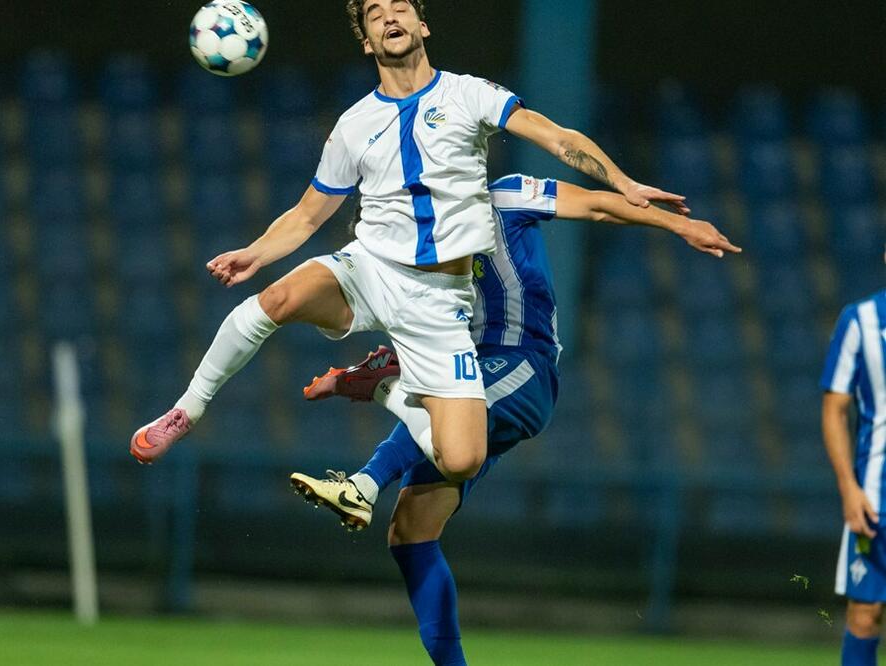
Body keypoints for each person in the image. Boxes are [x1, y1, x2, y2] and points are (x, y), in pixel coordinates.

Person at [129, 0, 705, 484]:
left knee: (461, 460)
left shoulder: (469, 95)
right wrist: (257, 251)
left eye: (399, 5)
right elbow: (307, 216)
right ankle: (187, 409)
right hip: (370, 267)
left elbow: (553, 134)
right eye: (374, 13)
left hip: (442, 302)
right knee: (276, 302)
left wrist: (622, 182)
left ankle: (384, 387)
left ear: (422, 25)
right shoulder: (353, 125)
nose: (388, 15)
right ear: (368, 42)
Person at [289, 173, 741, 666]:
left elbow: (593, 205)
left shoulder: (505, 193)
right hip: (465, 365)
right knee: (411, 532)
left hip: (524, 363)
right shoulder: (412, 244)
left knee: (452, 399)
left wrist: (676, 226)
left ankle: (364, 481)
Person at [821, 260, 886, 666]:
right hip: (875, 497)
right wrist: (848, 487)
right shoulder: (860, 320)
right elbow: (834, 408)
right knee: (864, 614)